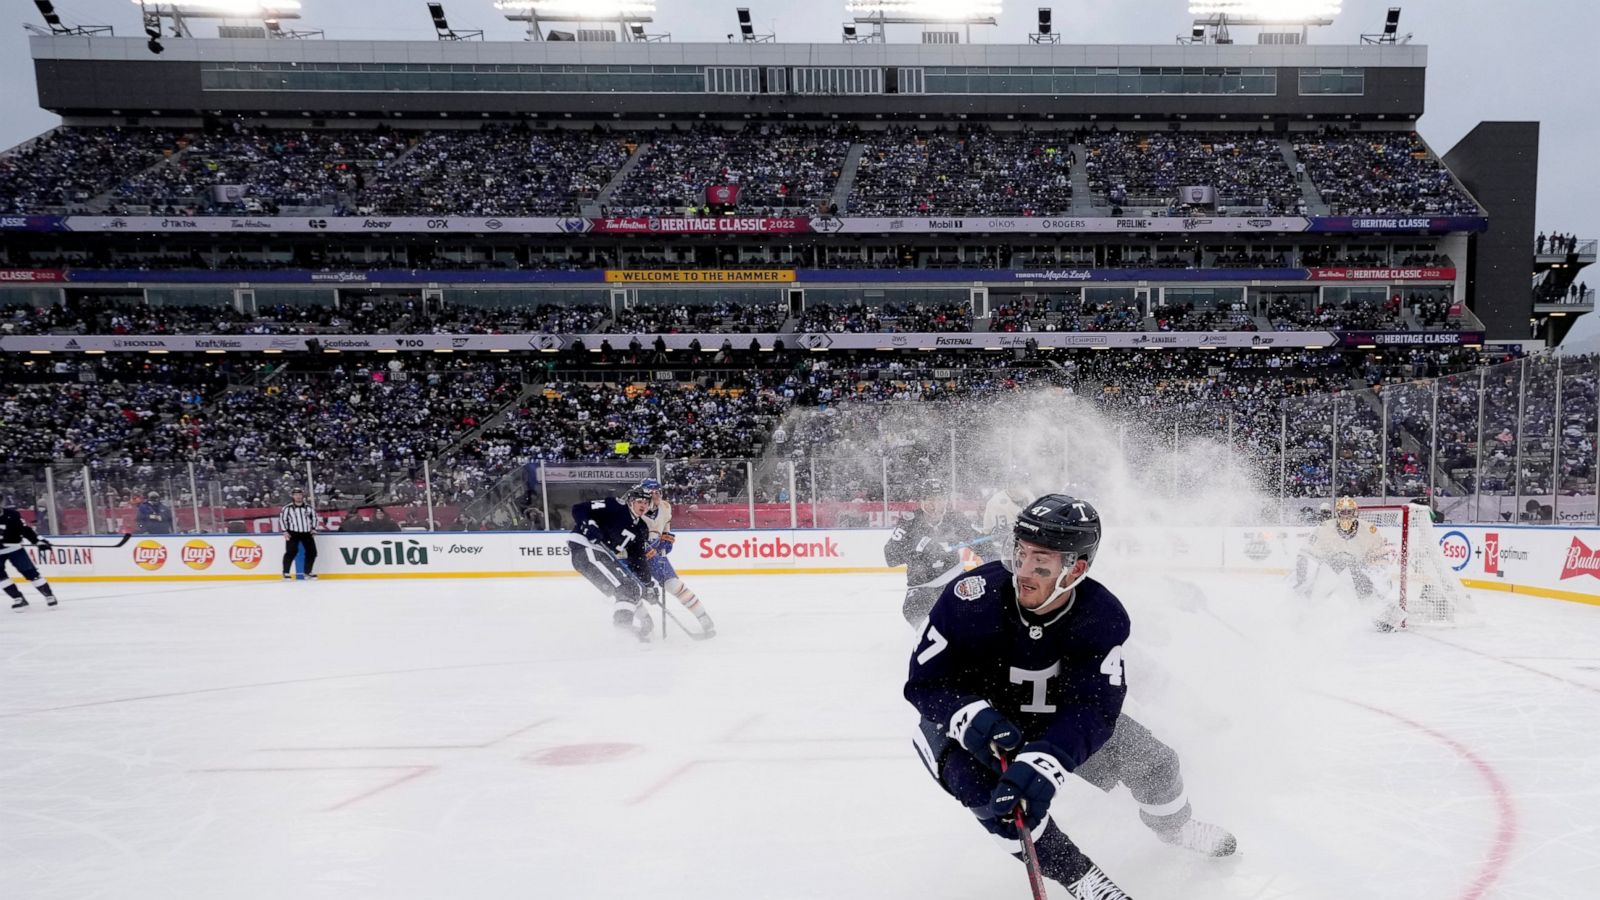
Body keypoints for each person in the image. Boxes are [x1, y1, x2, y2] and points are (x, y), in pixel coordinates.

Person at [905, 494, 1138, 898]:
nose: (1024, 571)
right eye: (1020, 553)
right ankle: (1084, 880)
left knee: (1156, 763)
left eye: (1042, 562)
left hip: (1052, 718)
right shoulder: (969, 595)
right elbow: (925, 682)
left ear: (1075, 568)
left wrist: (1050, 757)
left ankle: (1178, 826)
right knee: (998, 803)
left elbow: (1095, 707)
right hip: (960, 728)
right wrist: (968, 714)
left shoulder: (1101, 614)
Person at [885, 477, 992, 625]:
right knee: (913, 611)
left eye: (940, 499)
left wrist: (993, 540)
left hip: (953, 577)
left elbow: (979, 543)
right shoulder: (909, 522)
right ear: (921, 501)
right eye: (930, 499)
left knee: (981, 604)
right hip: (922, 585)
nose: (936, 505)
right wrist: (919, 547)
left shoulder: (954, 518)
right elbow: (890, 557)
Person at [1291, 496, 1398, 628]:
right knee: (1314, 591)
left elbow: (1379, 559)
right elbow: (1307, 554)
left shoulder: (1369, 530)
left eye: (1349, 512)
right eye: (1343, 512)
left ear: (1356, 512)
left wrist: (1381, 583)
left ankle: (1382, 616)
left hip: (1357, 571)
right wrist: (1304, 581)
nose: (1346, 516)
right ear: (1337, 513)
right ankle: (1303, 614)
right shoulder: (1324, 528)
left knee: (1370, 590)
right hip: (1330, 569)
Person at [568, 486, 655, 641]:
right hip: (586, 548)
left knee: (632, 588)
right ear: (630, 502)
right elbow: (579, 508)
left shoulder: (641, 528)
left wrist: (647, 585)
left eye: (646, 503)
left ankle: (634, 625)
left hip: (601, 555)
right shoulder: (615, 506)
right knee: (627, 588)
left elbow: (638, 559)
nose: (643, 505)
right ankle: (623, 631)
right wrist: (589, 525)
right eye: (639, 501)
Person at [636, 478, 716, 638]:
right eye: (653, 493)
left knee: (675, 585)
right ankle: (645, 621)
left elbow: (666, 526)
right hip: (634, 556)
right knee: (632, 590)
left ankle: (703, 616)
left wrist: (665, 540)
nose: (657, 496)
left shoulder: (665, 507)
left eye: (659, 492)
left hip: (655, 555)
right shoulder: (634, 509)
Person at [2, 505, 58, 610]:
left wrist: (37, 541)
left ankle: (49, 595)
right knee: (0, 577)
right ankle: (18, 598)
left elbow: (25, 530)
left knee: (30, 572)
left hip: (15, 549)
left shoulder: (12, 515)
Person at [280, 488, 320, 581]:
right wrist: (284, 531)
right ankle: (286, 572)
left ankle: (307, 572)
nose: (298, 496)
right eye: (296, 494)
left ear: (302, 495)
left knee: (312, 552)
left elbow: (314, 518)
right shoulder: (287, 508)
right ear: (292, 496)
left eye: (299, 494)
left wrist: (314, 529)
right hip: (293, 533)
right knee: (291, 552)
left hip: (306, 533)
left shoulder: (309, 507)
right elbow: (282, 520)